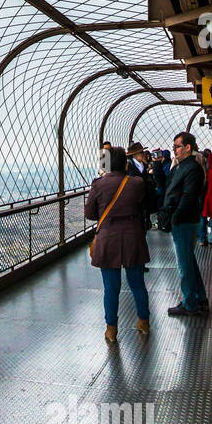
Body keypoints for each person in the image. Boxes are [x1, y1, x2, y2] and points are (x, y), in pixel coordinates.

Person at [87, 144, 151, 344]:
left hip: (108, 240)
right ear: (125, 165)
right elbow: (146, 204)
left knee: (111, 288)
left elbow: (90, 214)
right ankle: (143, 322)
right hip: (133, 237)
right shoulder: (137, 183)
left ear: (106, 165)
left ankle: (111, 330)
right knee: (138, 285)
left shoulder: (98, 184)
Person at [161, 131, 211, 317]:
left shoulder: (191, 168)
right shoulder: (182, 167)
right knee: (189, 261)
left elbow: (188, 197)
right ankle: (200, 298)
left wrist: (174, 217)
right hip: (184, 220)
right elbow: (168, 187)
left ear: (188, 147)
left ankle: (189, 303)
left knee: (184, 264)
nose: (174, 150)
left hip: (183, 221)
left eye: (177, 146)